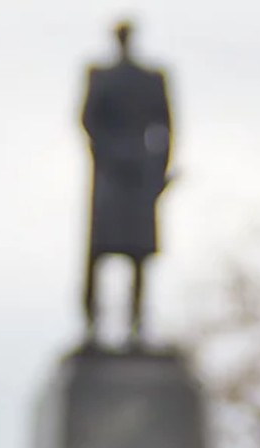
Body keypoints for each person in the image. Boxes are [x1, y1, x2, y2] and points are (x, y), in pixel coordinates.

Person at [80, 20, 173, 345]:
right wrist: (111, 156)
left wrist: (157, 171)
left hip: (135, 175)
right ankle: (93, 322)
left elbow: (167, 125)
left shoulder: (152, 78)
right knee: (99, 252)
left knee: (139, 254)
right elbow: (88, 120)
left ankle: (136, 324)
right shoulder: (100, 76)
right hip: (113, 173)